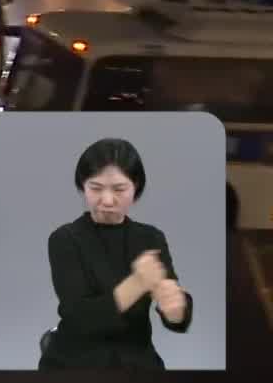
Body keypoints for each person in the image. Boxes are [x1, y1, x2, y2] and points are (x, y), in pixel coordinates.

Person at [38, 137, 193, 370]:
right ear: (82, 185)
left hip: (137, 360)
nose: (108, 200)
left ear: (136, 187)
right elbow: (80, 317)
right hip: (75, 361)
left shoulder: (151, 238)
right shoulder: (64, 238)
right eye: (96, 188)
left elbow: (175, 313)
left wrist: (176, 308)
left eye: (120, 189)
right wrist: (138, 282)